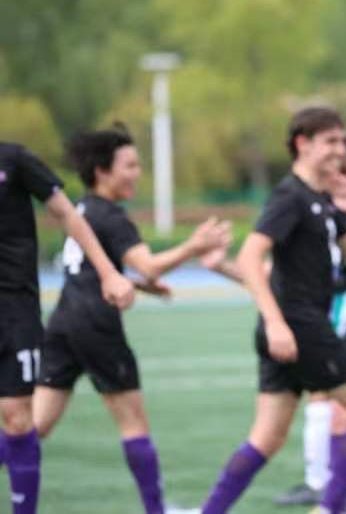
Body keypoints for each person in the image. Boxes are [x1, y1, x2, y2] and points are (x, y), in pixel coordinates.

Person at [197, 107, 346, 514]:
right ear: (303, 143)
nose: (339, 149)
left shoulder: (323, 198)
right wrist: (278, 323)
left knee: (267, 438)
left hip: (291, 329)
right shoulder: (290, 196)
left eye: (341, 140)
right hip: (298, 327)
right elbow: (250, 258)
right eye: (330, 141)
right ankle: (329, 509)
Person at [31, 124, 230, 514]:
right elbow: (150, 264)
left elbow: (92, 270)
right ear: (103, 171)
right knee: (133, 424)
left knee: (33, 428)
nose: (137, 173)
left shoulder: (81, 209)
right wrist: (194, 245)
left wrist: (137, 286)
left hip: (63, 322)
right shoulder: (110, 216)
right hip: (96, 326)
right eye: (130, 165)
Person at [0, 140, 134, 514]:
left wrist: (108, 272)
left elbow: (68, 214)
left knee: (18, 417)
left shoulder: (14, 158)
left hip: (14, 309)